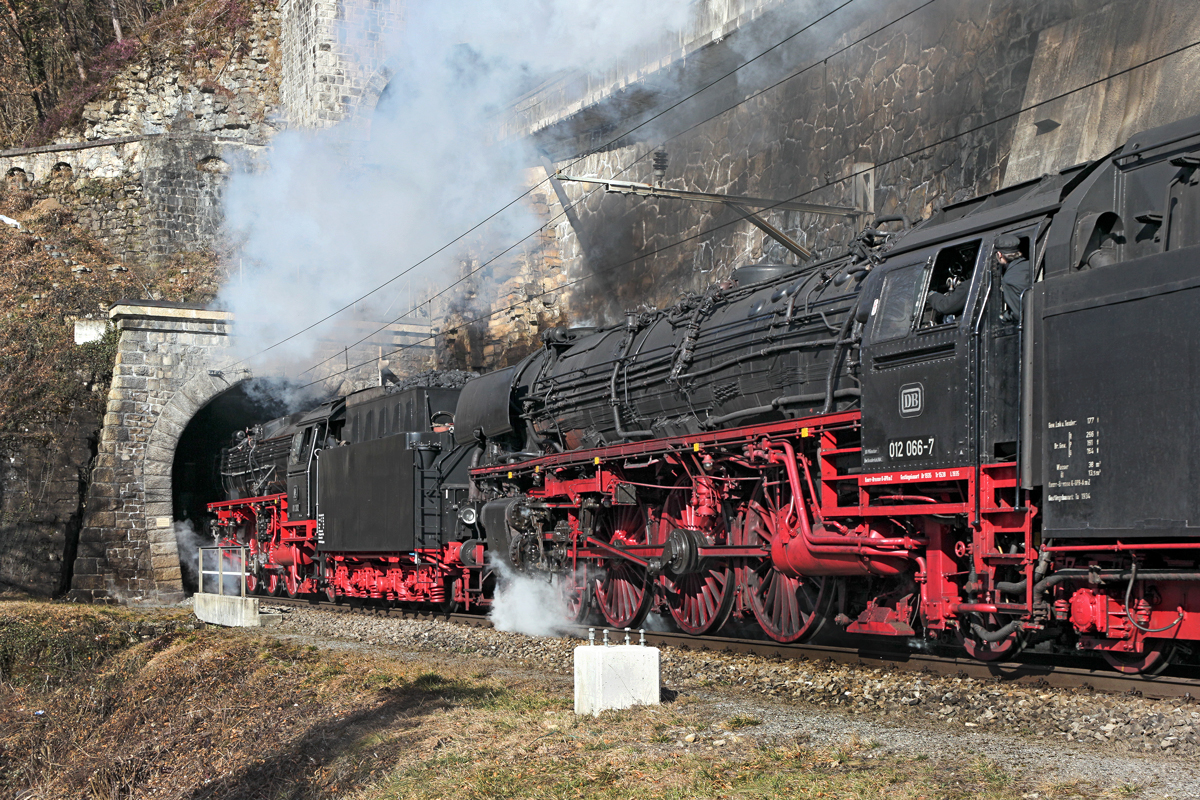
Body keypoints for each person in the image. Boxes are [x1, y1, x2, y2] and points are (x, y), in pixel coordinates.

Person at [995, 234, 1030, 319]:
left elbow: (1019, 314)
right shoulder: (1030, 264)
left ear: (1000, 254)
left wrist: (1004, 316)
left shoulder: (1009, 280)